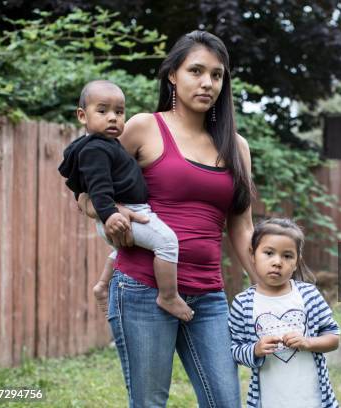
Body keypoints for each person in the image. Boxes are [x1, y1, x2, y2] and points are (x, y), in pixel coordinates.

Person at [79, 31, 256, 407]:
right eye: (196, 70)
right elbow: (87, 190)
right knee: (150, 403)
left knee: (225, 401)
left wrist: (269, 289)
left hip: (208, 295)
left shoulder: (236, 147)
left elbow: (242, 227)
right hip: (141, 289)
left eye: (217, 74)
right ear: (173, 75)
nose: (207, 82)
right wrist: (109, 211)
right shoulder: (143, 127)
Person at [58, 80, 194, 322]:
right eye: (103, 111)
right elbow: (98, 187)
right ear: (82, 115)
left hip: (121, 212)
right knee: (167, 243)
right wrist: (110, 215)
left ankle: (102, 285)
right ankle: (169, 296)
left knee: (120, 250)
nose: (113, 118)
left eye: (119, 112)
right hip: (123, 214)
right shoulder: (95, 149)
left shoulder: (105, 145)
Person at [228, 218, 340, 408]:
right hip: (269, 400)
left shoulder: (309, 295)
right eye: (269, 253)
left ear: (297, 262)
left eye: (287, 256)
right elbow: (235, 350)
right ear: (252, 254)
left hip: (313, 399)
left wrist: (308, 342)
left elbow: (333, 338)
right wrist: (255, 349)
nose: (277, 262)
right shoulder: (243, 303)